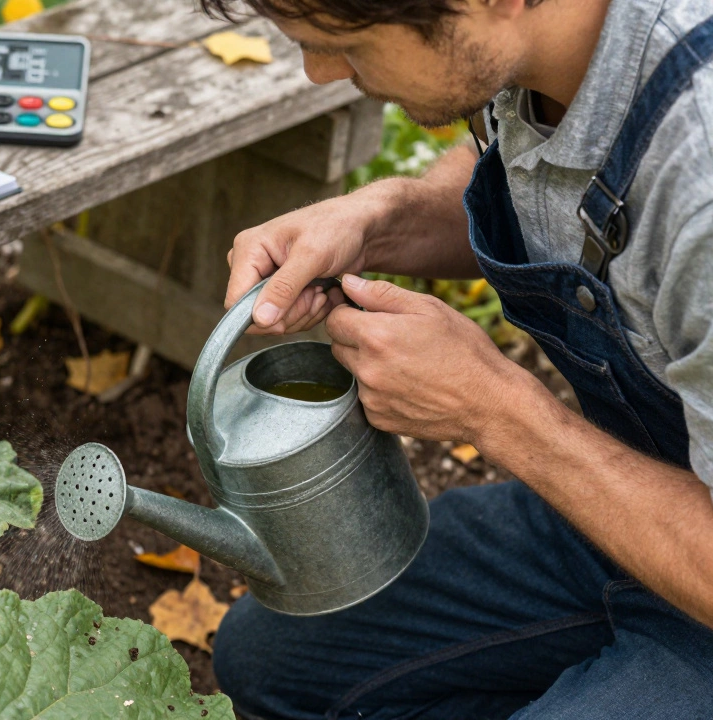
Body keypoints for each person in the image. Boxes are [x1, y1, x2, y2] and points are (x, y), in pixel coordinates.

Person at [209, 0, 713, 717]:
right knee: (269, 659)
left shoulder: (702, 171)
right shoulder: (549, 43)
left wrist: (493, 406)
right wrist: (385, 217)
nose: (317, 72)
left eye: (338, 41)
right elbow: (544, 176)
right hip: (638, 506)